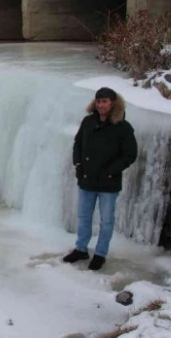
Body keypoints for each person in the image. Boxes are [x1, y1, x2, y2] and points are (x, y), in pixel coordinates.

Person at [63, 87, 138, 270]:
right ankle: (81, 249)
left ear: (113, 103)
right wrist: (78, 165)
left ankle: (100, 254)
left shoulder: (122, 127)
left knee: (106, 221)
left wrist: (111, 170)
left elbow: (130, 154)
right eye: (98, 101)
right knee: (84, 217)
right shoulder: (88, 122)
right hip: (87, 179)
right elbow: (78, 144)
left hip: (108, 182)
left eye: (105, 101)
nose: (101, 105)